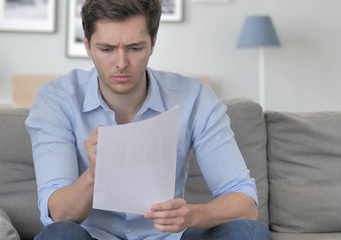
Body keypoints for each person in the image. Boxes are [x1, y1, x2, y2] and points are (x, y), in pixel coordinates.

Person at [25, 0, 272, 239]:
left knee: (250, 233)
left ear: (153, 43)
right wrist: (93, 175)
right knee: (61, 234)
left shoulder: (194, 98)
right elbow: (58, 214)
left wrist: (192, 215)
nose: (121, 64)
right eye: (107, 49)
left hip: (169, 237)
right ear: (88, 45)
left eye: (135, 48)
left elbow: (245, 203)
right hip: (93, 236)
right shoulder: (56, 99)